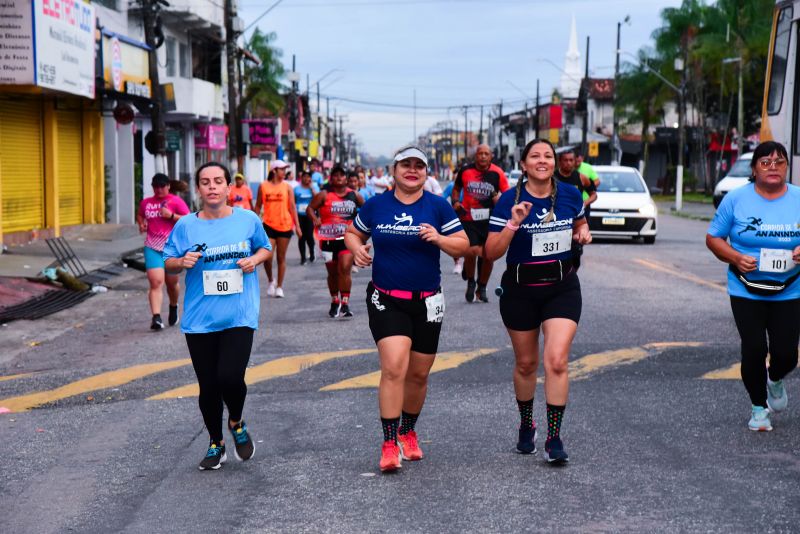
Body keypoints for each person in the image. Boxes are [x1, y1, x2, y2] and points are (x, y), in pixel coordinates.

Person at [345, 145, 469, 473]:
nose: (411, 170)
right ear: (394, 169)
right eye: (405, 165)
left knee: (418, 374)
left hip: (428, 300)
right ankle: (388, 443)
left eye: (418, 166)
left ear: (426, 173)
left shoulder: (438, 207)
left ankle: (407, 430)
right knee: (394, 367)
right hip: (387, 298)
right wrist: (357, 250)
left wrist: (439, 239)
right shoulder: (376, 205)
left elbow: (463, 244)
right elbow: (352, 232)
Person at [485, 138, 591, 464]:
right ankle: (526, 424)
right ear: (524, 165)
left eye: (548, 155)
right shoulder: (508, 200)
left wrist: (582, 232)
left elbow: (580, 222)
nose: (542, 160)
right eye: (535, 156)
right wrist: (514, 223)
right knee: (526, 363)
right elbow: (491, 252)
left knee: (556, 360)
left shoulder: (571, 195)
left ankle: (554, 437)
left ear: (555, 163)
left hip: (562, 287)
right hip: (520, 290)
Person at [163, 161, 272, 470]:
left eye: (218, 181)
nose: (212, 186)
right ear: (198, 188)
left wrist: (253, 260)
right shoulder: (185, 225)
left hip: (239, 314)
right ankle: (216, 443)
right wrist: (182, 261)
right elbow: (167, 261)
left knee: (230, 376)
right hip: (200, 319)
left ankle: (236, 422)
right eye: (205, 182)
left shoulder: (247, 220)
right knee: (209, 385)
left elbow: (266, 249)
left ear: (229, 188)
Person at [706, 140, 800, 432]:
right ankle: (759, 408)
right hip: (746, 288)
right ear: (755, 168)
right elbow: (713, 238)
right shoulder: (736, 199)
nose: (773, 168)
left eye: (779, 162)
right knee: (754, 347)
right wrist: (735, 256)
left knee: (786, 354)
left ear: (787, 167)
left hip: (790, 288)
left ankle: (775, 379)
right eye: (766, 162)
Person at [452, 144, 510, 303]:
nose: (483, 156)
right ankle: (471, 282)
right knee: (470, 251)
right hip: (469, 219)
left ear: (491, 156)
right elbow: (456, 189)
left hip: (491, 220)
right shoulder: (465, 171)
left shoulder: (498, 173)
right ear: (475, 156)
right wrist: (456, 202)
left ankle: (482, 287)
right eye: (480, 153)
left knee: (488, 255)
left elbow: (508, 195)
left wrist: (501, 201)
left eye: (486, 153)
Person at [307, 166, 364, 318]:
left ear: (346, 178)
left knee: (345, 268)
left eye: (342, 175)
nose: (339, 178)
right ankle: (335, 300)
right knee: (332, 272)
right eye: (336, 175)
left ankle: (345, 303)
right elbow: (310, 208)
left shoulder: (355, 195)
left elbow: (366, 212)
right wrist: (315, 218)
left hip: (347, 239)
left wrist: (360, 230)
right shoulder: (324, 195)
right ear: (331, 178)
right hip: (327, 240)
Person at [137, 173, 190, 330]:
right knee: (155, 282)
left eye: (162, 186)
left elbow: (189, 221)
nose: (159, 189)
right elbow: (140, 215)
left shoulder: (176, 201)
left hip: (172, 248)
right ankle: (156, 317)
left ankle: (173, 306)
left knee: (172, 283)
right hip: (152, 246)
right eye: (155, 187)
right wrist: (142, 224)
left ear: (168, 186)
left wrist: (172, 215)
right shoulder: (146, 203)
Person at [255, 160, 302, 298]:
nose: (284, 172)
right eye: (282, 169)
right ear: (274, 170)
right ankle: (271, 281)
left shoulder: (287, 187)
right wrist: (252, 223)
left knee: (281, 257)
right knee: (267, 257)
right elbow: (258, 206)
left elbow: (292, 207)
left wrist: (297, 226)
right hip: (268, 225)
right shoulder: (263, 186)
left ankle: (280, 287)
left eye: (285, 169)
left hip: (285, 225)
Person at [554, 149, 596, 270]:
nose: (568, 163)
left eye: (571, 160)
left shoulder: (582, 178)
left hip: (576, 220)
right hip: (557, 219)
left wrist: (584, 202)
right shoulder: (553, 177)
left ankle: (571, 275)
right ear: (560, 162)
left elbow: (594, 194)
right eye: (565, 160)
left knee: (576, 253)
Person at [294, 170, 318, 265]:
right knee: (301, 237)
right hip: (300, 215)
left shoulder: (314, 187)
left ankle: (312, 253)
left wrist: (312, 188)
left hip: (310, 216)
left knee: (309, 237)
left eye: (308, 177)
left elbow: (317, 199)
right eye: (305, 176)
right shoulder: (296, 189)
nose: (306, 179)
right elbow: (294, 201)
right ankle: (303, 258)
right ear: (301, 178)